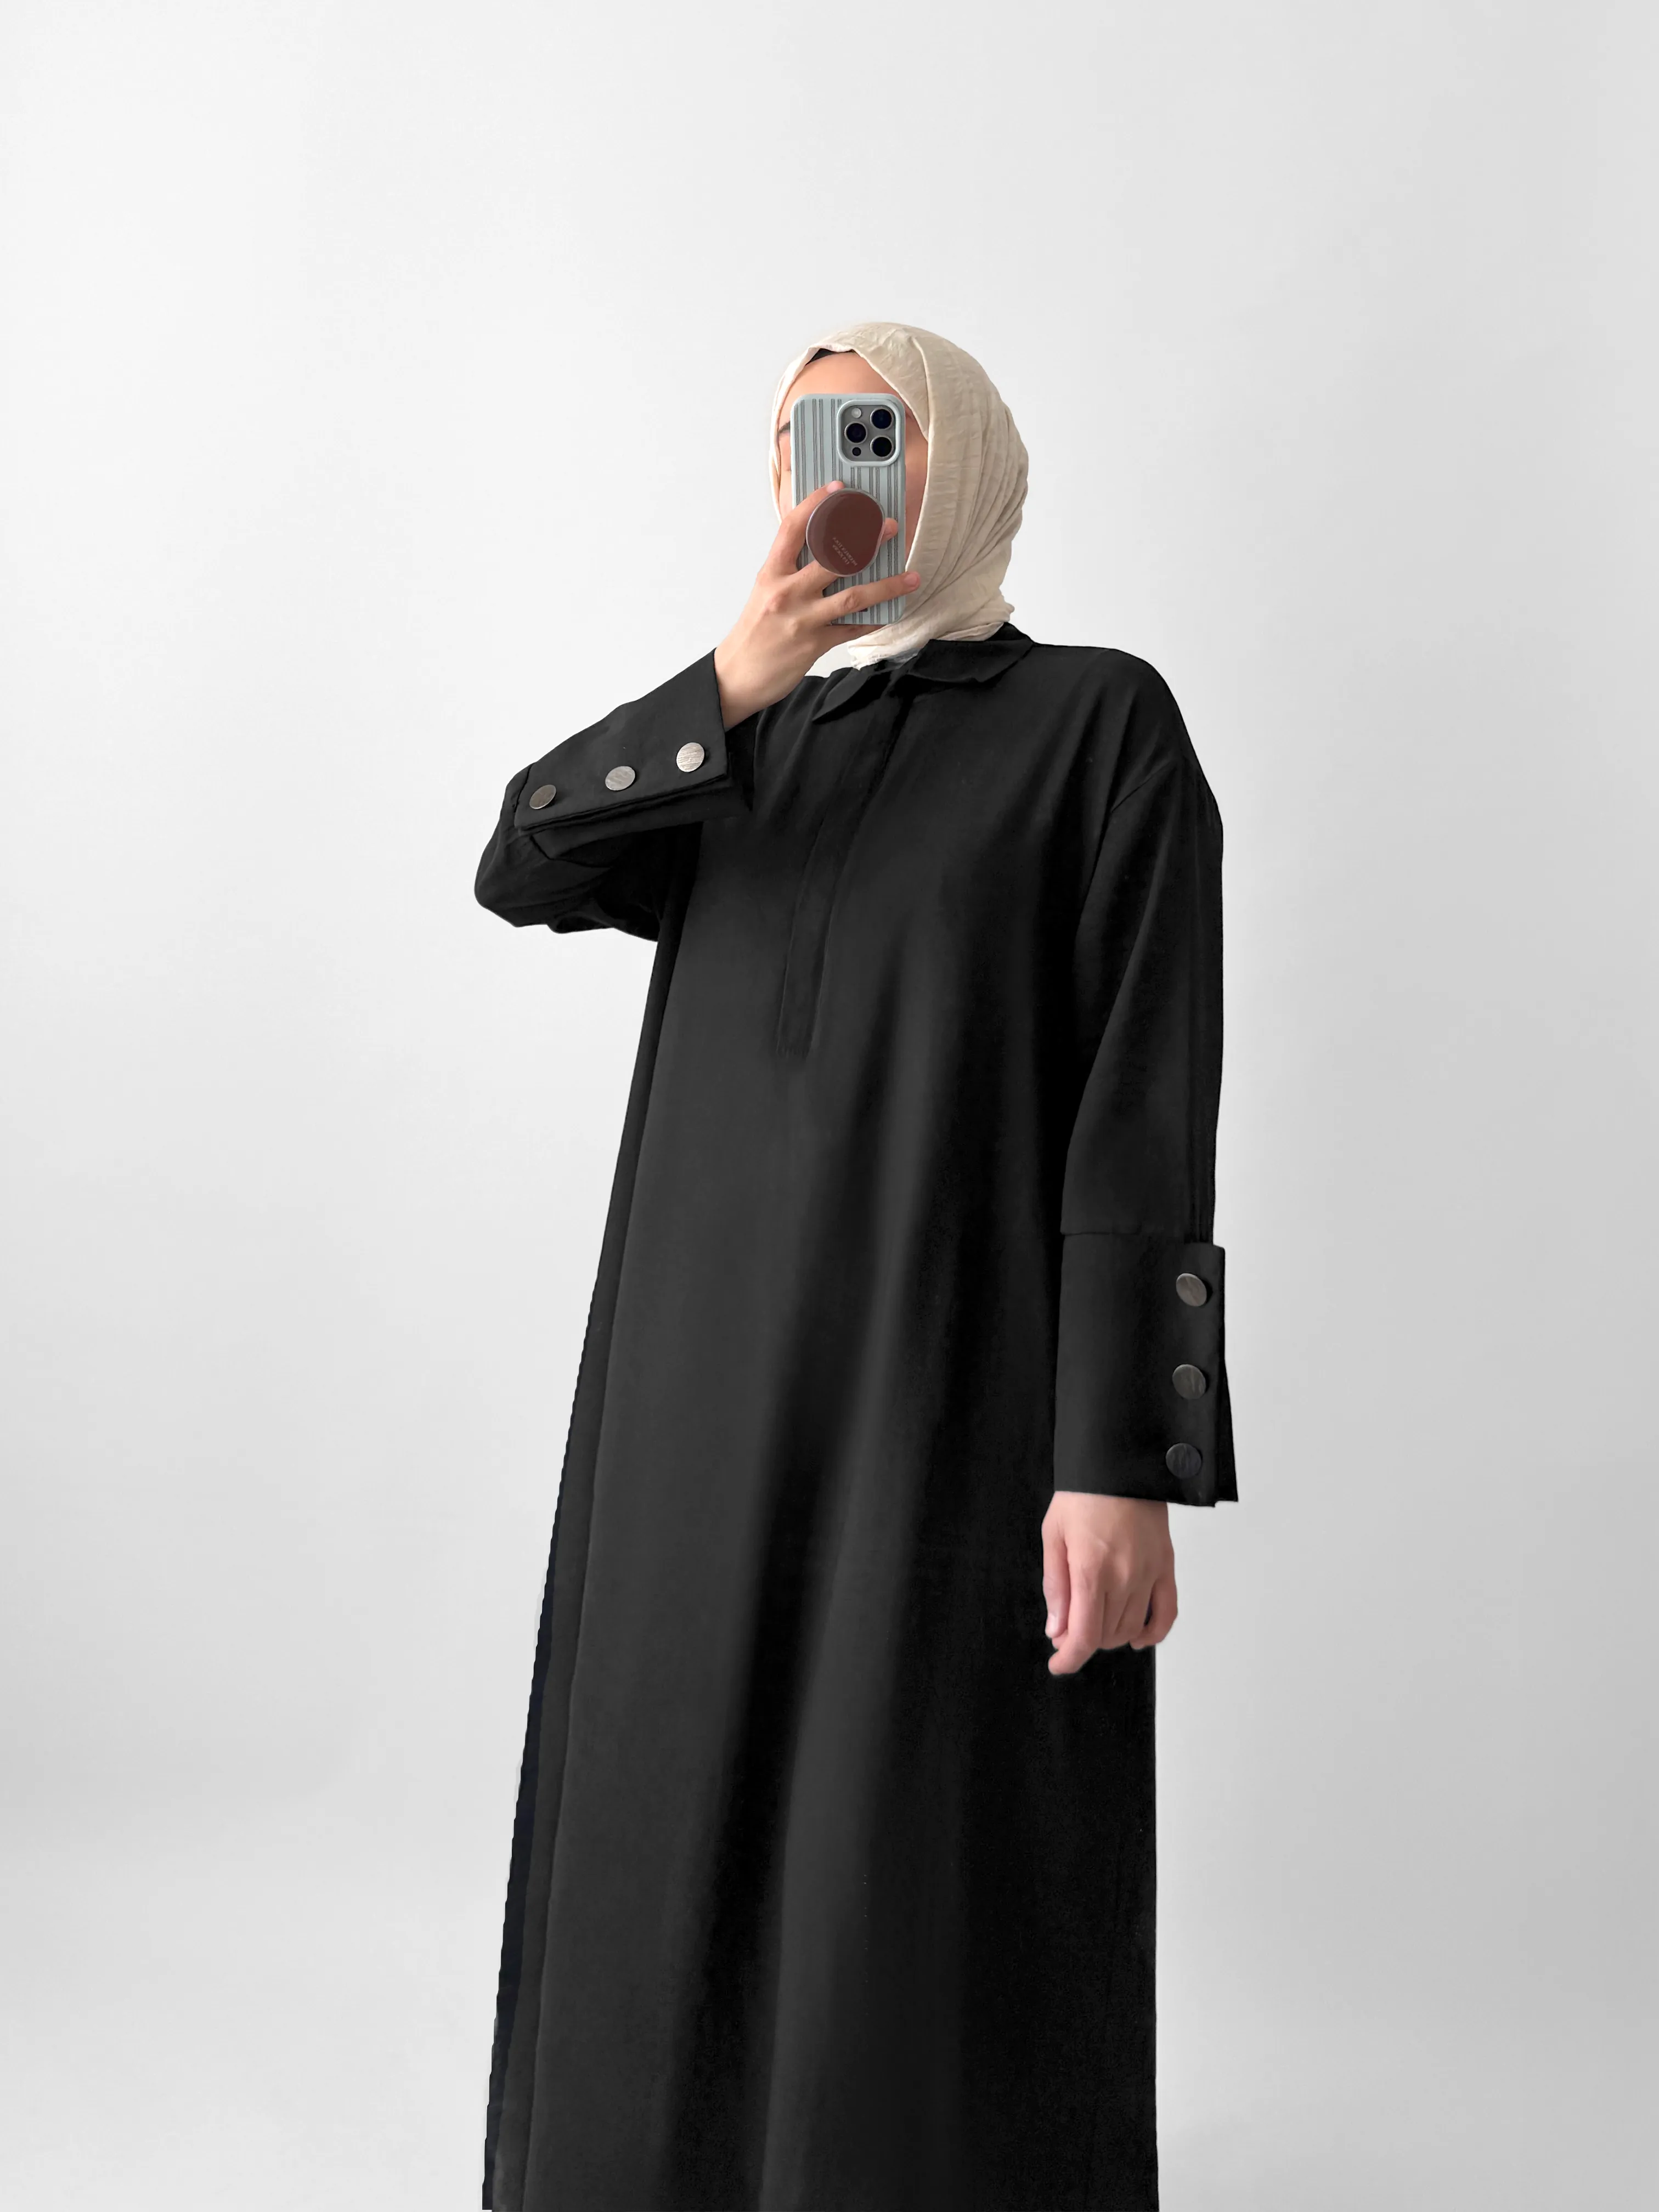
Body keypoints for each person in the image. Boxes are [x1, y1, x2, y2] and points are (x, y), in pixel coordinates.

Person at [472, 319, 1237, 2212]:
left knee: (918, 1816)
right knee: (677, 1792)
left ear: (957, 463)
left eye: (874, 438)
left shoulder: (1099, 729)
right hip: (695, 1404)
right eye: (800, 445)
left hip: (946, 1397)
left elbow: (1140, 1104)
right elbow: (522, 861)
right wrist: (731, 680)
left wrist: (1119, 1459)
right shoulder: (743, 751)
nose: (833, 481)